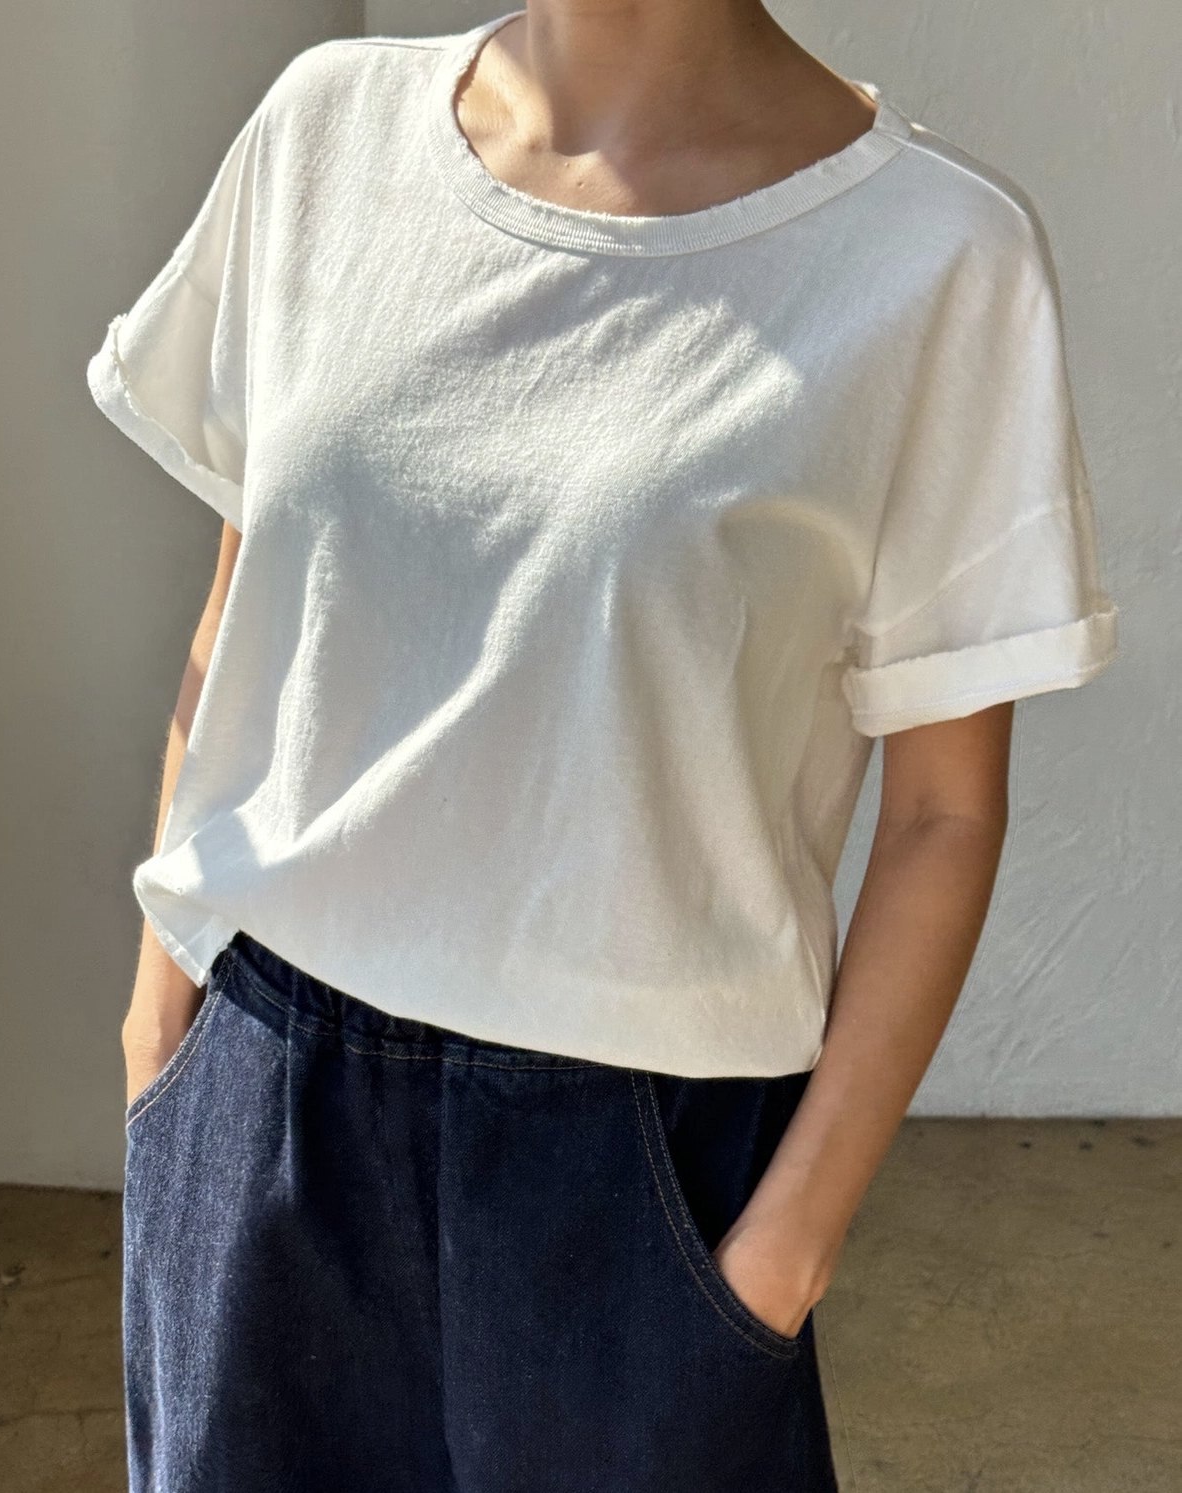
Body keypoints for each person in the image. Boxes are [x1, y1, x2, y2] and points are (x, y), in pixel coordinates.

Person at [85, 2, 1119, 1489]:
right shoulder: (324, 129)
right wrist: (160, 1029)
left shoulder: (938, 254)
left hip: (641, 1171)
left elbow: (942, 814)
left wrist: (787, 1247)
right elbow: (246, 593)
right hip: (261, 1097)